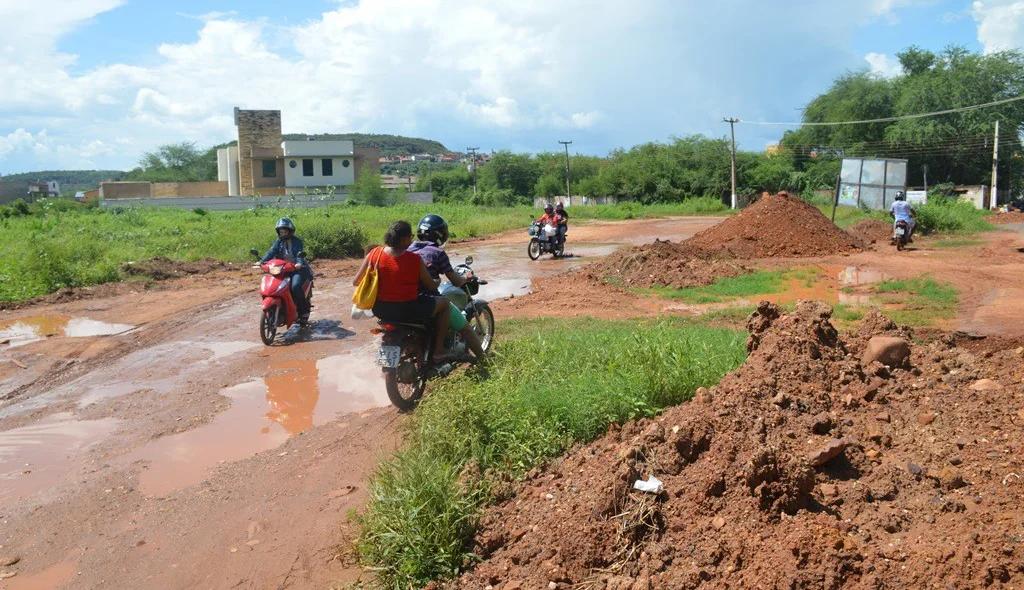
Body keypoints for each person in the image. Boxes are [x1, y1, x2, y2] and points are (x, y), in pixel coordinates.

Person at [352, 221, 452, 360]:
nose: (411, 240)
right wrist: (437, 281)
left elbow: (356, 282)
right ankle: (439, 350)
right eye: (410, 236)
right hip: (408, 310)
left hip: (380, 310)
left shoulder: (374, 254)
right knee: (445, 304)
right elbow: (431, 286)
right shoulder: (414, 259)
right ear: (404, 239)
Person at [408, 214, 486, 361]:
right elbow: (455, 281)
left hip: (407, 299)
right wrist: (466, 278)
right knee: (466, 328)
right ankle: (483, 359)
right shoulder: (437, 253)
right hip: (427, 300)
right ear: (440, 234)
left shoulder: (407, 249)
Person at [260, 217, 313, 324]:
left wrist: (299, 263)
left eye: (285, 231)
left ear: (290, 231)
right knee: (274, 287)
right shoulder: (278, 242)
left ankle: (303, 311)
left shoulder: (297, 241)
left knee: (295, 286)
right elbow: (271, 252)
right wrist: (261, 261)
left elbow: (299, 253)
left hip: (296, 269)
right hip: (282, 269)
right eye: (281, 232)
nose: (283, 234)